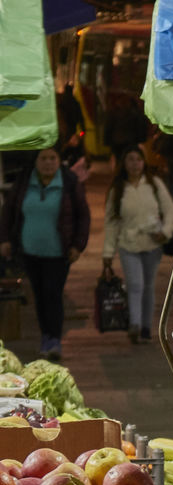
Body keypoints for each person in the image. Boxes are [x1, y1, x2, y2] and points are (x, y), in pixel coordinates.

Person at [0, 145, 90, 361]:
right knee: (39, 296)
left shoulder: (68, 182)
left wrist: (78, 245)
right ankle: (45, 336)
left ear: (59, 161)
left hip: (59, 253)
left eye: (52, 158)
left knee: (53, 294)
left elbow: (83, 216)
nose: (48, 162)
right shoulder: (24, 182)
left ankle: (54, 339)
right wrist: (4, 239)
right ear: (36, 161)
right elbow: (8, 211)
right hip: (30, 252)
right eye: (44, 158)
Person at [102, 144, 173, 344]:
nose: (135, 164)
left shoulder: (154, 184)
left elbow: (170, 210)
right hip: (128, 244)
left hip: (153, 243)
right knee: (135, 284)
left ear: (144, 162)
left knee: (148, 286)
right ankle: (134, 323)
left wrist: (166, 231)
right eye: (130, 160)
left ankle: (146, 326)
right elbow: (111, 221)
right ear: (123, 164)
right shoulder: (118, 190)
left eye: (138, 159)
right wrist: (108, 252)